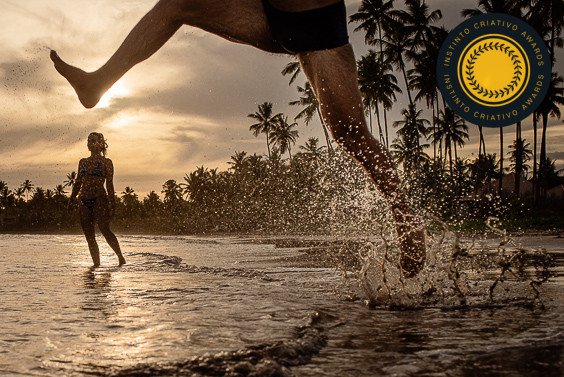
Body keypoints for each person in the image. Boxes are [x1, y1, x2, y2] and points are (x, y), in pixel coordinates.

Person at [50, 0, 426, 277]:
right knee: (176, 4)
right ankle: (97, 82)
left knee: (350, 135)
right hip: (265, 14)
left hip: (315, 21)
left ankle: (406, 221)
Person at [70, 132, 127, 267]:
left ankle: (120, 257)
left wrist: (112, 204)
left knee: (104, 229)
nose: (91, 143)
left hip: (99, 199)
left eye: (94, 141)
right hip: (83, 200)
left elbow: (109, 184)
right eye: (89, 141)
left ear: (101, 144)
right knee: (89, 237)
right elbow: (78, 182)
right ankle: (96, 265)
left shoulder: (107, 162)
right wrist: (72, 198)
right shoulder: (83, 162)